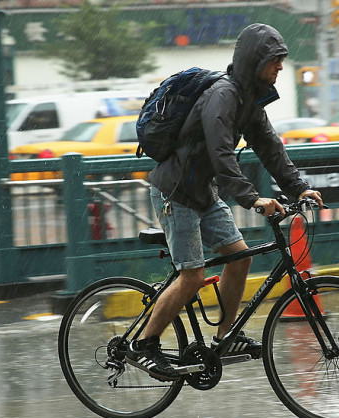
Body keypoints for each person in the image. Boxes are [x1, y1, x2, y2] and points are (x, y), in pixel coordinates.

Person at [126, 23, 324, 382]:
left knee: (240, 257)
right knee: (192, 277)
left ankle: (224, 337)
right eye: (275, 61)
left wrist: (298, 189)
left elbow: (269, 147)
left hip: (203, 192)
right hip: (176, 194)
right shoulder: (223, 95)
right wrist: (252, 199)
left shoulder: (250, 98)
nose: (280, 67)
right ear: (255, 60)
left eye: (282, 61)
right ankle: (144, 344)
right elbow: (220, 152)